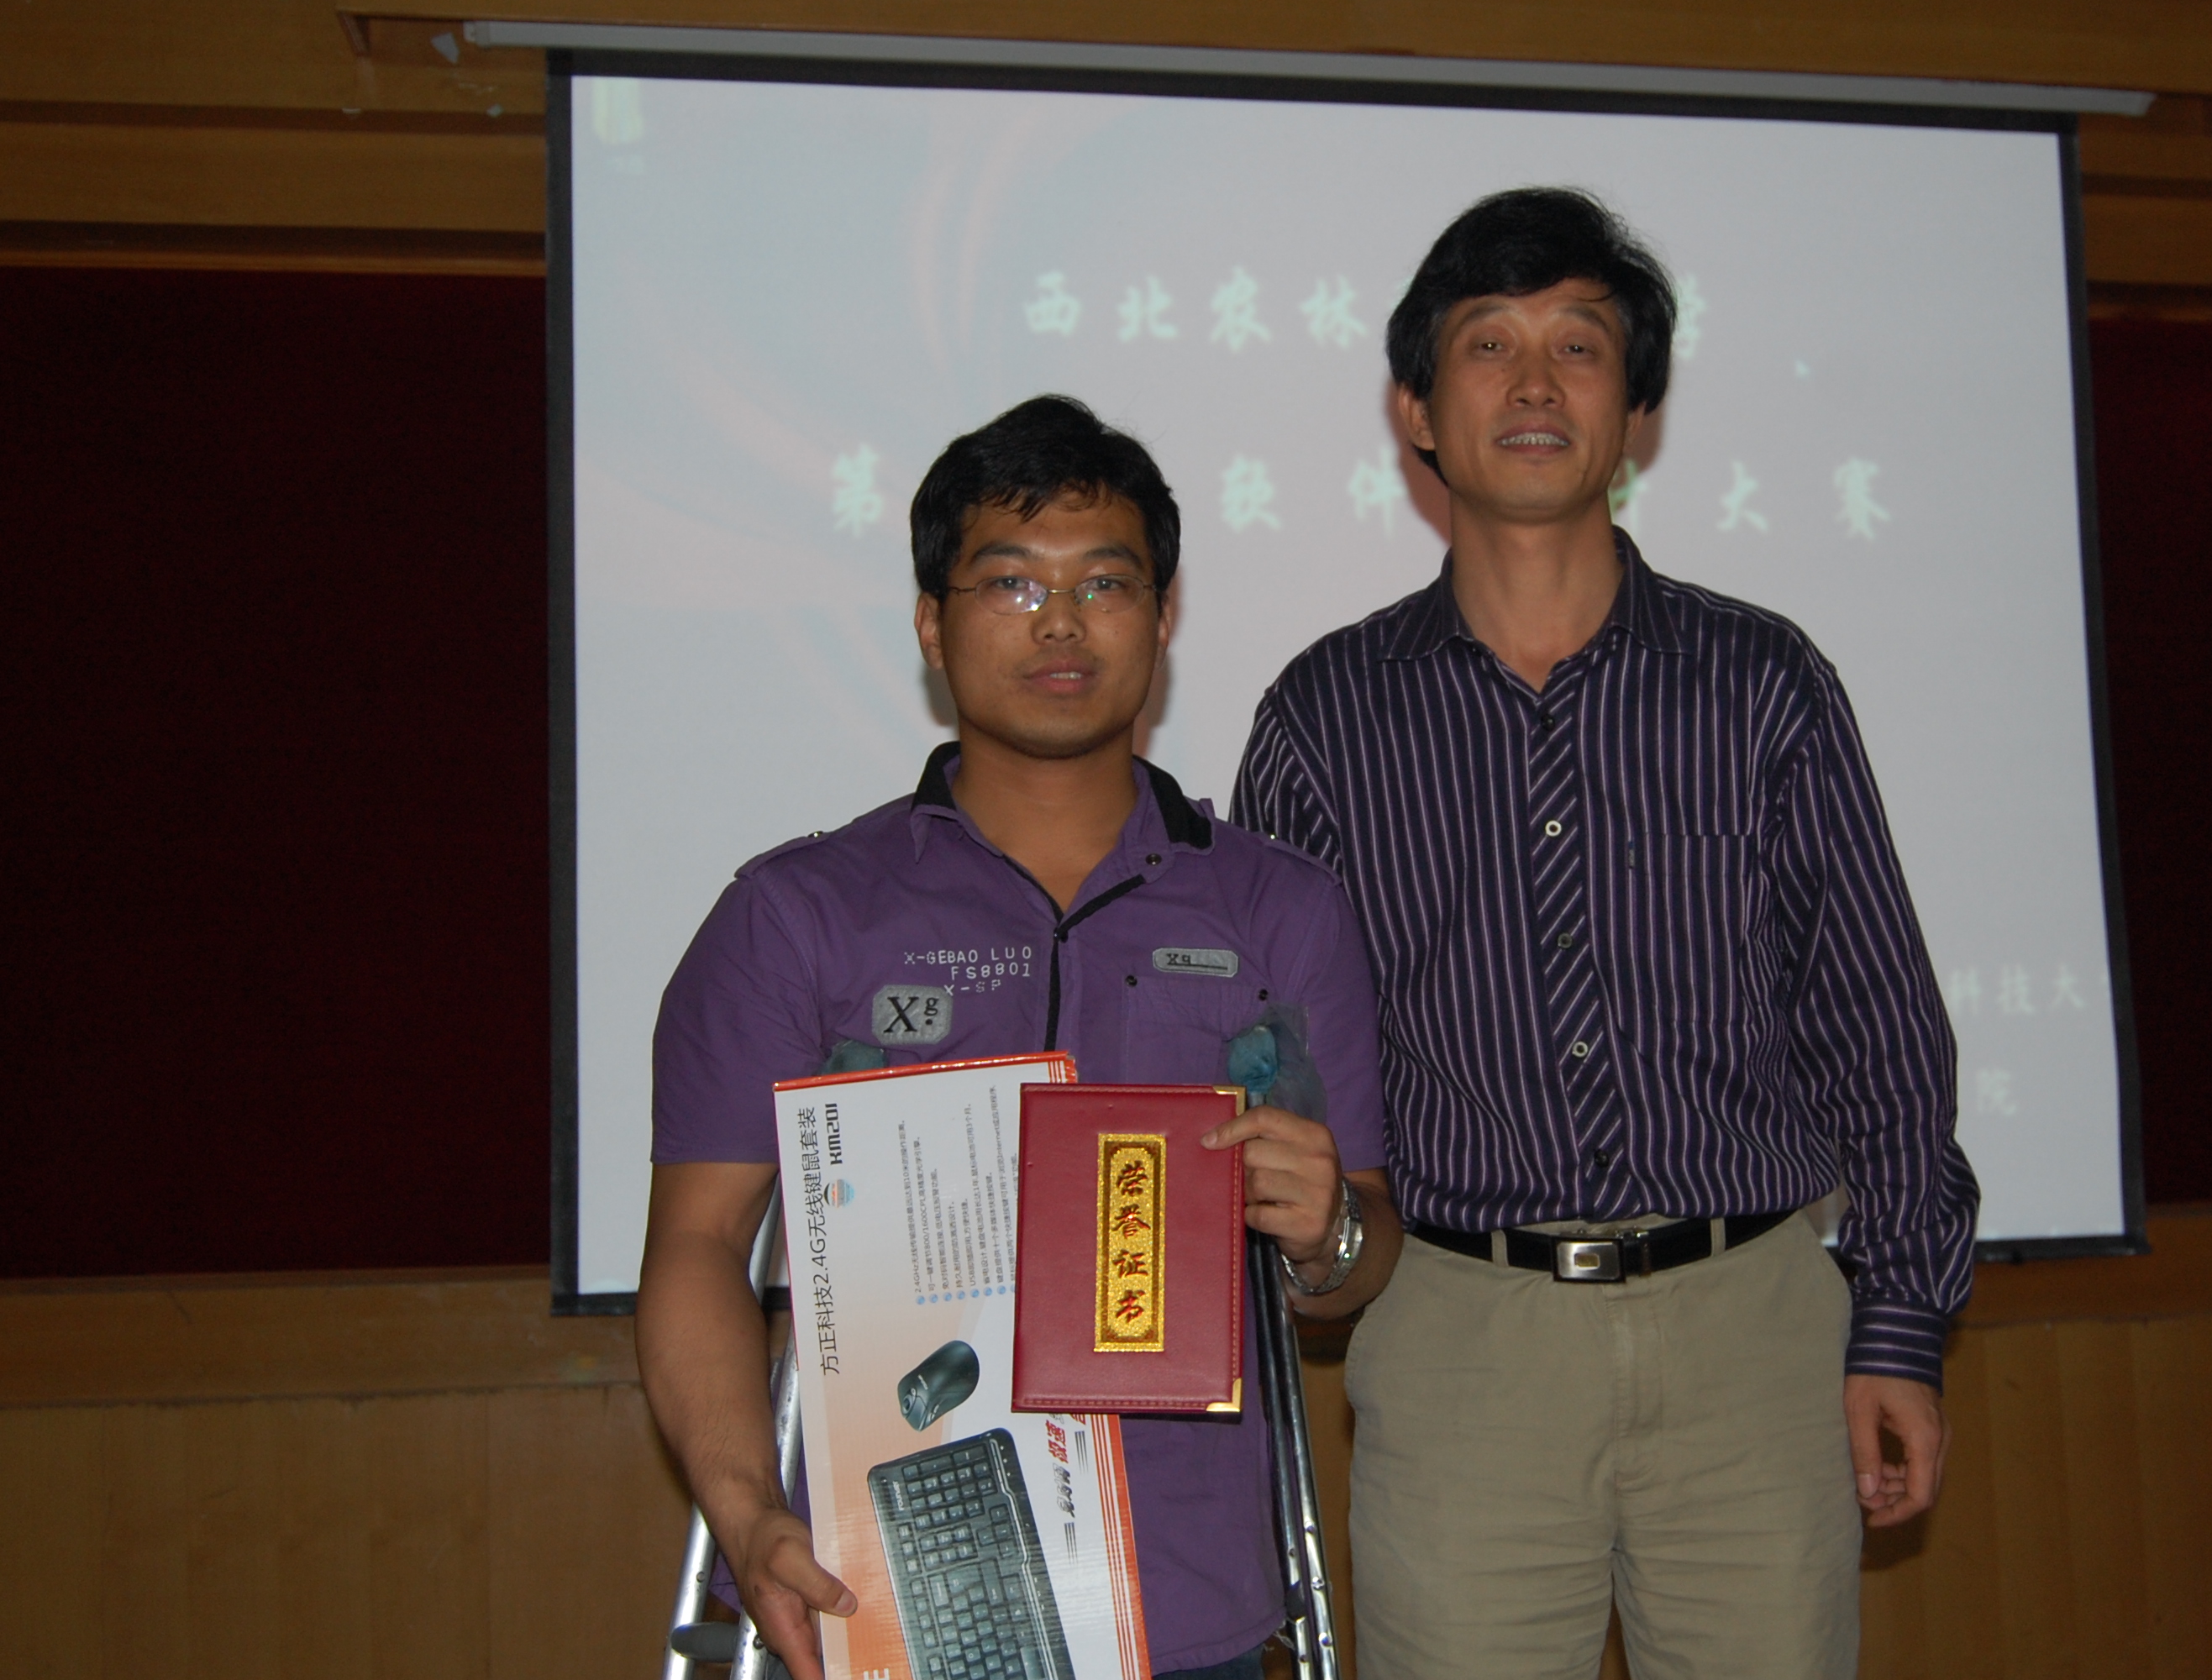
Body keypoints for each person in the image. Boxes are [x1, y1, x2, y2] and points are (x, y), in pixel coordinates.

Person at [1232, 188, 1979, 1679]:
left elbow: (1876, 1021)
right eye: (1487, 345)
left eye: (1578, 346)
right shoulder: (1325, 717)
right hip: (1462, 1342)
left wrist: (1897, 1325)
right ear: (1417, 411)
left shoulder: (1761, 682)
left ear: (1635, 411)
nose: (1533, 383)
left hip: (1754, 1331)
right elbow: (1283, 1063)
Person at [638, 394, 1401, 1680]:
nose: (1060, 621)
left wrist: (1326, 1230)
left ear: (1161, 617)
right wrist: (746, 1509)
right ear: (932, 624)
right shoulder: (797, 914)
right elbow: (700, 1246)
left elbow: (1358, 1261)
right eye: (1010, 582)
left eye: (1105, 583)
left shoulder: (1282, 908)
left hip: (1187, 1598)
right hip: (888, 1581)